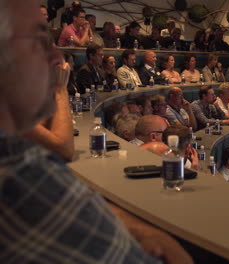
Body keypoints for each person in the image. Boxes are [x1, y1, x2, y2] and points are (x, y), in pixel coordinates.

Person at [0, 1, 192, 263]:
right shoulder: (18, 176)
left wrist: (137, 228)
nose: (57, 58)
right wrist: (59, 89)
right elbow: (63, 149)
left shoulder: (21, 155)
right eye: (38, 40)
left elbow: (72, 201)